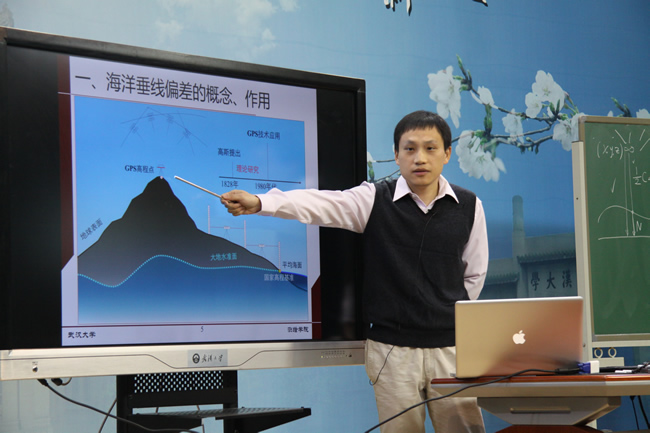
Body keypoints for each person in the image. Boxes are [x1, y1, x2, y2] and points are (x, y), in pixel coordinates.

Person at [221, 110, 488, 433]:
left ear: (446, 153)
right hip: (391, 350)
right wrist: (261, 202)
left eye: (430, 148)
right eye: (409, 148)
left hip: (451, 349)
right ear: (396, 155)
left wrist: (441, 311)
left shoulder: (469, 206)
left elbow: (474, 275)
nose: (420, 158)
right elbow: (321, 203)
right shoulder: (374, 198)